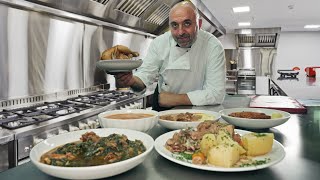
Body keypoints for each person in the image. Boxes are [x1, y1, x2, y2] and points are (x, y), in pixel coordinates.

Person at [115, 1, 226, 111]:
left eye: (187, 23)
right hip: (164, 110)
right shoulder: (159, 43)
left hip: (199, 109)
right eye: (174, 25)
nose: (180, 32)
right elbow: (144, 77)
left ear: (199, 24)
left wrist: (174, 99)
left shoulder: (213, 46)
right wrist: (131, 81)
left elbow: (216, 94)